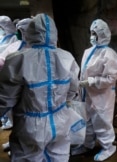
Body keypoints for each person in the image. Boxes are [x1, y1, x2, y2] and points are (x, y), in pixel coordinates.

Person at [0, 13, 82, 161]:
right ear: (54, 34)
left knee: (28, 157)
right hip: (60, 122)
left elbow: (5, 99)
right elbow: (72, 90)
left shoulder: (18, 59)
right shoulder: (67, 57)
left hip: (30, 127)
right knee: (59, 157)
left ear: (30, 33)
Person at [75, 19, 117, 161]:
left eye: (95, 33)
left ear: (102, 34)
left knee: (102, 121)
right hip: (87, 94)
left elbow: (110, 78)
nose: (92, 35)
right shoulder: (88, 51)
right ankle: (87, 144)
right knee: (87, 121)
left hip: (102, 96)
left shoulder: (110, 55)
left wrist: (91, 81)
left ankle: (108, 147)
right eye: (91, 32)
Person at [1, 17, 32, 155]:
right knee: (15, 116)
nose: (18, 33)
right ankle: (16, 141)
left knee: (28, 119)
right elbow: (3, 59)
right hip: (14, 87)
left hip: (29, 89)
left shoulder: (34, 47)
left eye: (21, 30)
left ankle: (24, 145)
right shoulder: (15, 45)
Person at [0, 16, 18, 130]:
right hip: (3, 70)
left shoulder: (14, 39)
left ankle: (12, 122)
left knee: (11, 98)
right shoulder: (3, 38)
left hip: (9, 71)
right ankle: (6, 120)